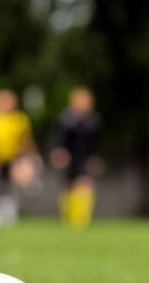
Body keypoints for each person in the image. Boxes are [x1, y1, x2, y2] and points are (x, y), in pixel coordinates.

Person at [0, 89, 39, 223]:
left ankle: (26, 191)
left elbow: (25, 139)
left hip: (15, 157)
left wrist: (31, 156)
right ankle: (4, 212)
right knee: (2, 184)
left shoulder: (19, 119)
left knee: (15, 182)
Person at [50, 86, 101, 229]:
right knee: (69, 187)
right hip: (69, 158)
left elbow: (95, 143)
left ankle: (81, 219)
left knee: (85, 184)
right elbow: (59, 139)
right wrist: (59, 153)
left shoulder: (93, 120)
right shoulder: (66, 119)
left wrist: (94, 158)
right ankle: (68, 217)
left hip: (85, 158)